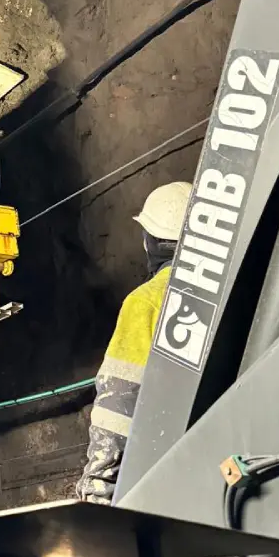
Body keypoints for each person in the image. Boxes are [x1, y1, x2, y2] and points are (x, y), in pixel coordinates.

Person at [76, 181, 193, 505]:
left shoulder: (147, 302)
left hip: (162, 480)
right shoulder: (230, 293)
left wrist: (97, 489)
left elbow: (119, 401)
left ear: (153, 242)